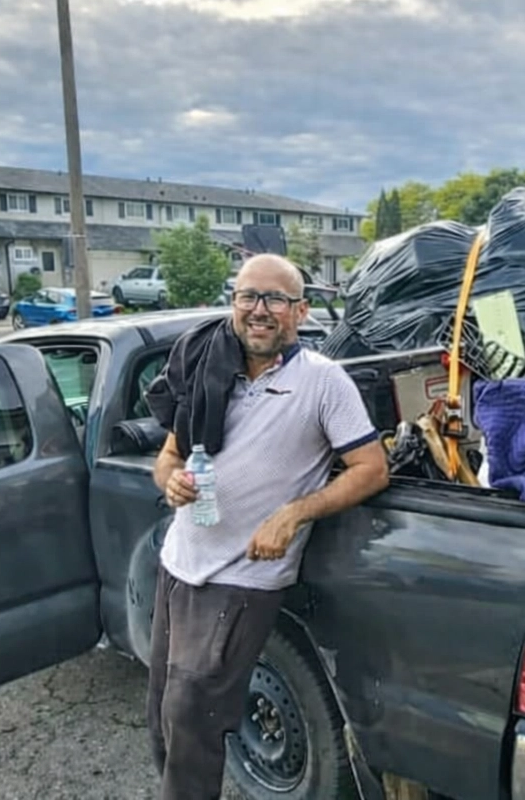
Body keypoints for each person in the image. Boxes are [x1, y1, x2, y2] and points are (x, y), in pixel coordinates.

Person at [145, 253, 390, 800]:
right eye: (248, 296)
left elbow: (372, 468)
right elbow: (169, 454)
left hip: (244, 578)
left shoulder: (323, 383)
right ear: (233, 304)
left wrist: (295, 512)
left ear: (300, 311)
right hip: (179, 564)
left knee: (193, 716)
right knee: (162, 712)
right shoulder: (210, 370)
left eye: (275, 299)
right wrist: (170, 480)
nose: (260, 310)